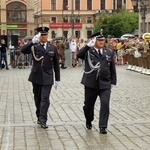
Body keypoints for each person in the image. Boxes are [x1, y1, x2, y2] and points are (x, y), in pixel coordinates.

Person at [77, 32, 117, 134]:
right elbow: (79, 55)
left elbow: (112, 68)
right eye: (99, 40)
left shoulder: (108, 52)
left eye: (102, 40)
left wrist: (113, 81)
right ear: (94, 41)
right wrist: (87, 46)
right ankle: (89, 119)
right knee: (88, 105)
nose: (101, 42)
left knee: (105, 104)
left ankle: (103, 126)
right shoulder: (88, 51)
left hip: (105, 83)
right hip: (91, 83)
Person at [21, 26, 60, 129]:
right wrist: (32, 42)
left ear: (48, 35)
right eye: (41, 35)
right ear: (39, 36)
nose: (43, 36)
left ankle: (43, 119)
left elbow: (56, 63)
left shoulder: (52, 47)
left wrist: (57, 78)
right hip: (36, 76)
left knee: (45, 99)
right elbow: (23, 50)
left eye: (45, 35)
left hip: (48, 76)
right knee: (37, 98)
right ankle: (39, 115)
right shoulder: (34, 46)